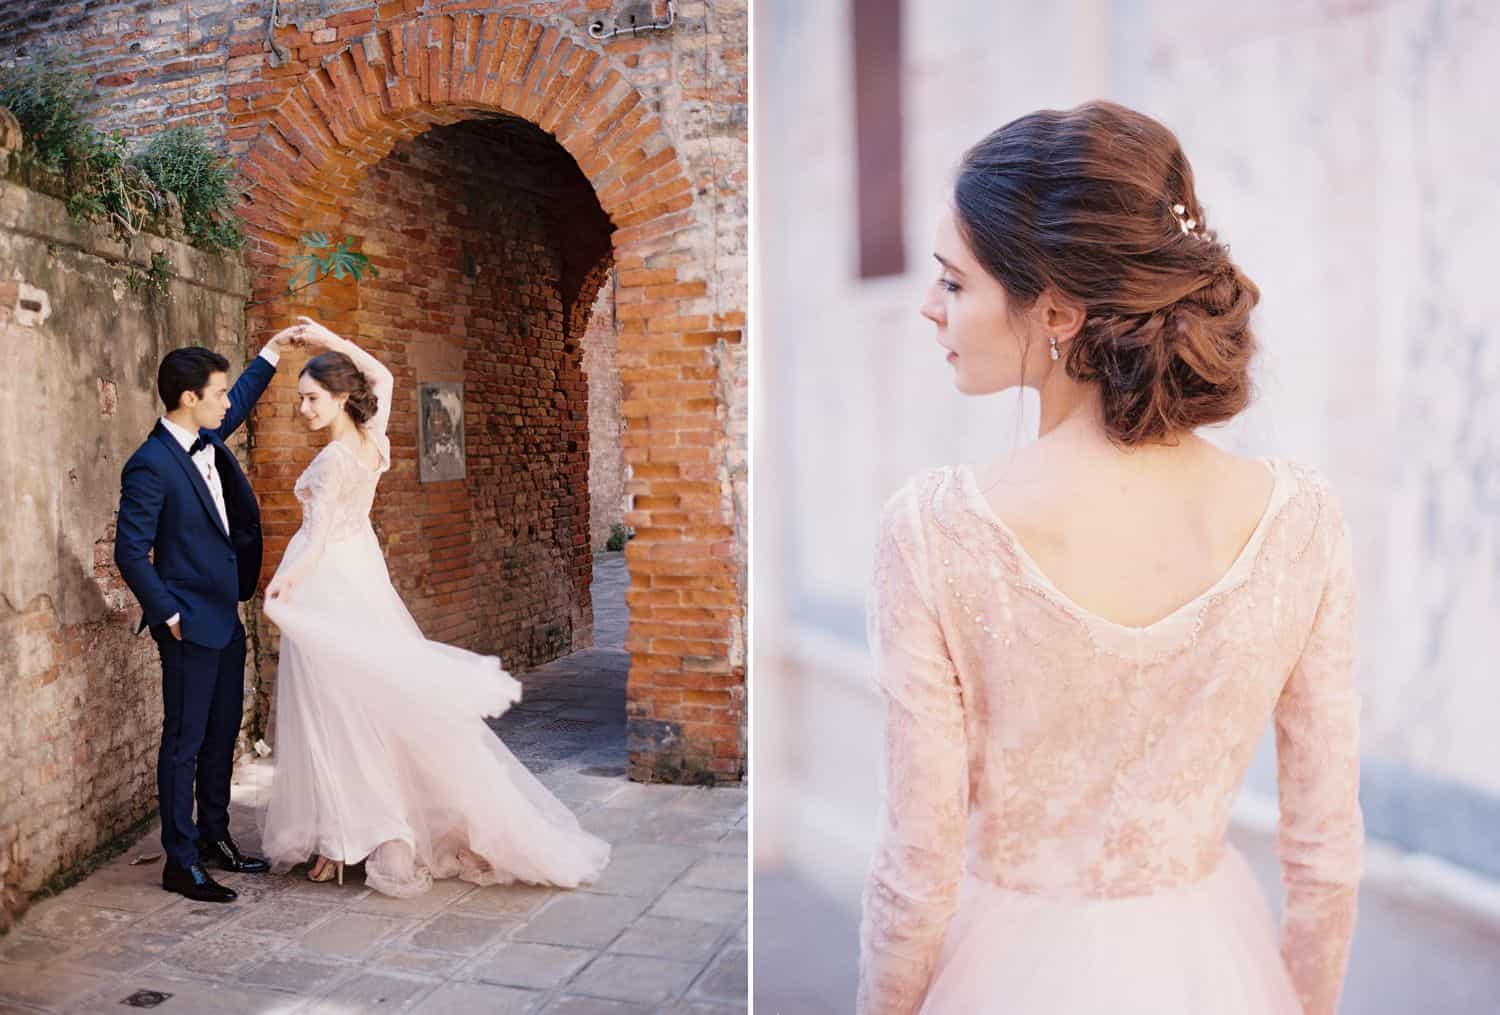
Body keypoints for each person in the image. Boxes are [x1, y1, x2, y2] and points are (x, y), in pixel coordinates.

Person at [857, 102, 1363, 1015]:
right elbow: (1325, 856)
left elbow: (916, 870)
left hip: (1002, 974)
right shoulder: (1302, 521)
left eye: (955, 282)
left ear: (1054, 309)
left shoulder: (934, 530)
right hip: (1219, 971)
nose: (930, 306)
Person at [256, 317, 611, 896]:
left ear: (343, 398)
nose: (304, 409)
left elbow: (317, 537)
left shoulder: (332, 461)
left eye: (313, 398)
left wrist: (286, 583)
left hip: (327, 582)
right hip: (361, 575)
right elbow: (385, 375)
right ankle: (352, 833)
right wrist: (328, 338)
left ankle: (352, 836)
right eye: (300, 400)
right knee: (366, 702)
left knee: (335, 709)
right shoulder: (373, 441)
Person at [114, 323, 326, 902]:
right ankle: (180, 863)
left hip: (224, 618)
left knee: (221, 733)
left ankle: (214, 838)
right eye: (218, 392)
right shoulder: (150, 464)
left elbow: (243, 397)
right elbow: (130, 551)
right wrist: (168, 615)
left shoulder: (205, 439)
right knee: (183, 742)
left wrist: (273, 354)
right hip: (187, 624)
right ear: (190, 398)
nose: (226, 401)